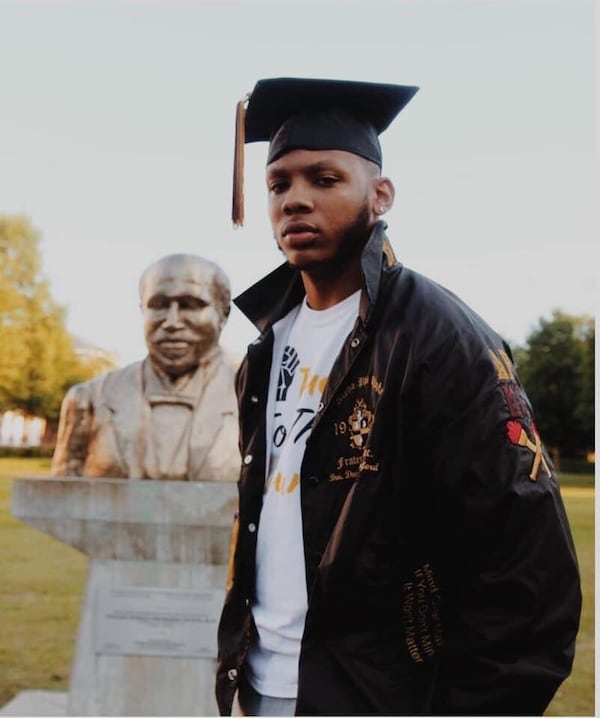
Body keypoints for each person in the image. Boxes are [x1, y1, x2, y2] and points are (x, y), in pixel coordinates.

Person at [216, 78, 582, 716]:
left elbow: (527, 570)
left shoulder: (440, 338)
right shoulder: (264, 350)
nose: (295, 200)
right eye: (279, 184)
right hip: (262, 689)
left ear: (380, 194)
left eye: (324, 179)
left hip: (380, 697)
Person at [51, 253, 239, 482]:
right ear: (143, 310)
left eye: (190, 305)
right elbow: (62, 504)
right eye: (158, 305)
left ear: (223, 314)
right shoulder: (88, 400)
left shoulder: (258, 403)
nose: (171, 322)